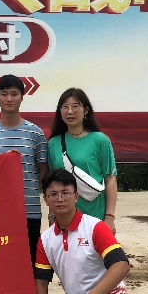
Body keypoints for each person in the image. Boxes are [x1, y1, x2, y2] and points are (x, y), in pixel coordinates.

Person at [0, 75, 48, 264]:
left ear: (22, 97)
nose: (9, 99)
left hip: (29, 210)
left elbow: (42, 172)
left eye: (14, 94)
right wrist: (2, 162)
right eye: (4, 94)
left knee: (29, 263)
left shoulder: (36, 133)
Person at [47, 88, 118, 233]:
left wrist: (109, 217)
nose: (70, 111)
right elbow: (52, 185)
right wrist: (52, 215)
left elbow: (110, 179)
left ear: (86, 110)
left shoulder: (100, 140)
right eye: (65, 107)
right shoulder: (53, 144)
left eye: (75, 106)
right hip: (64, 217)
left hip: (95, 214)